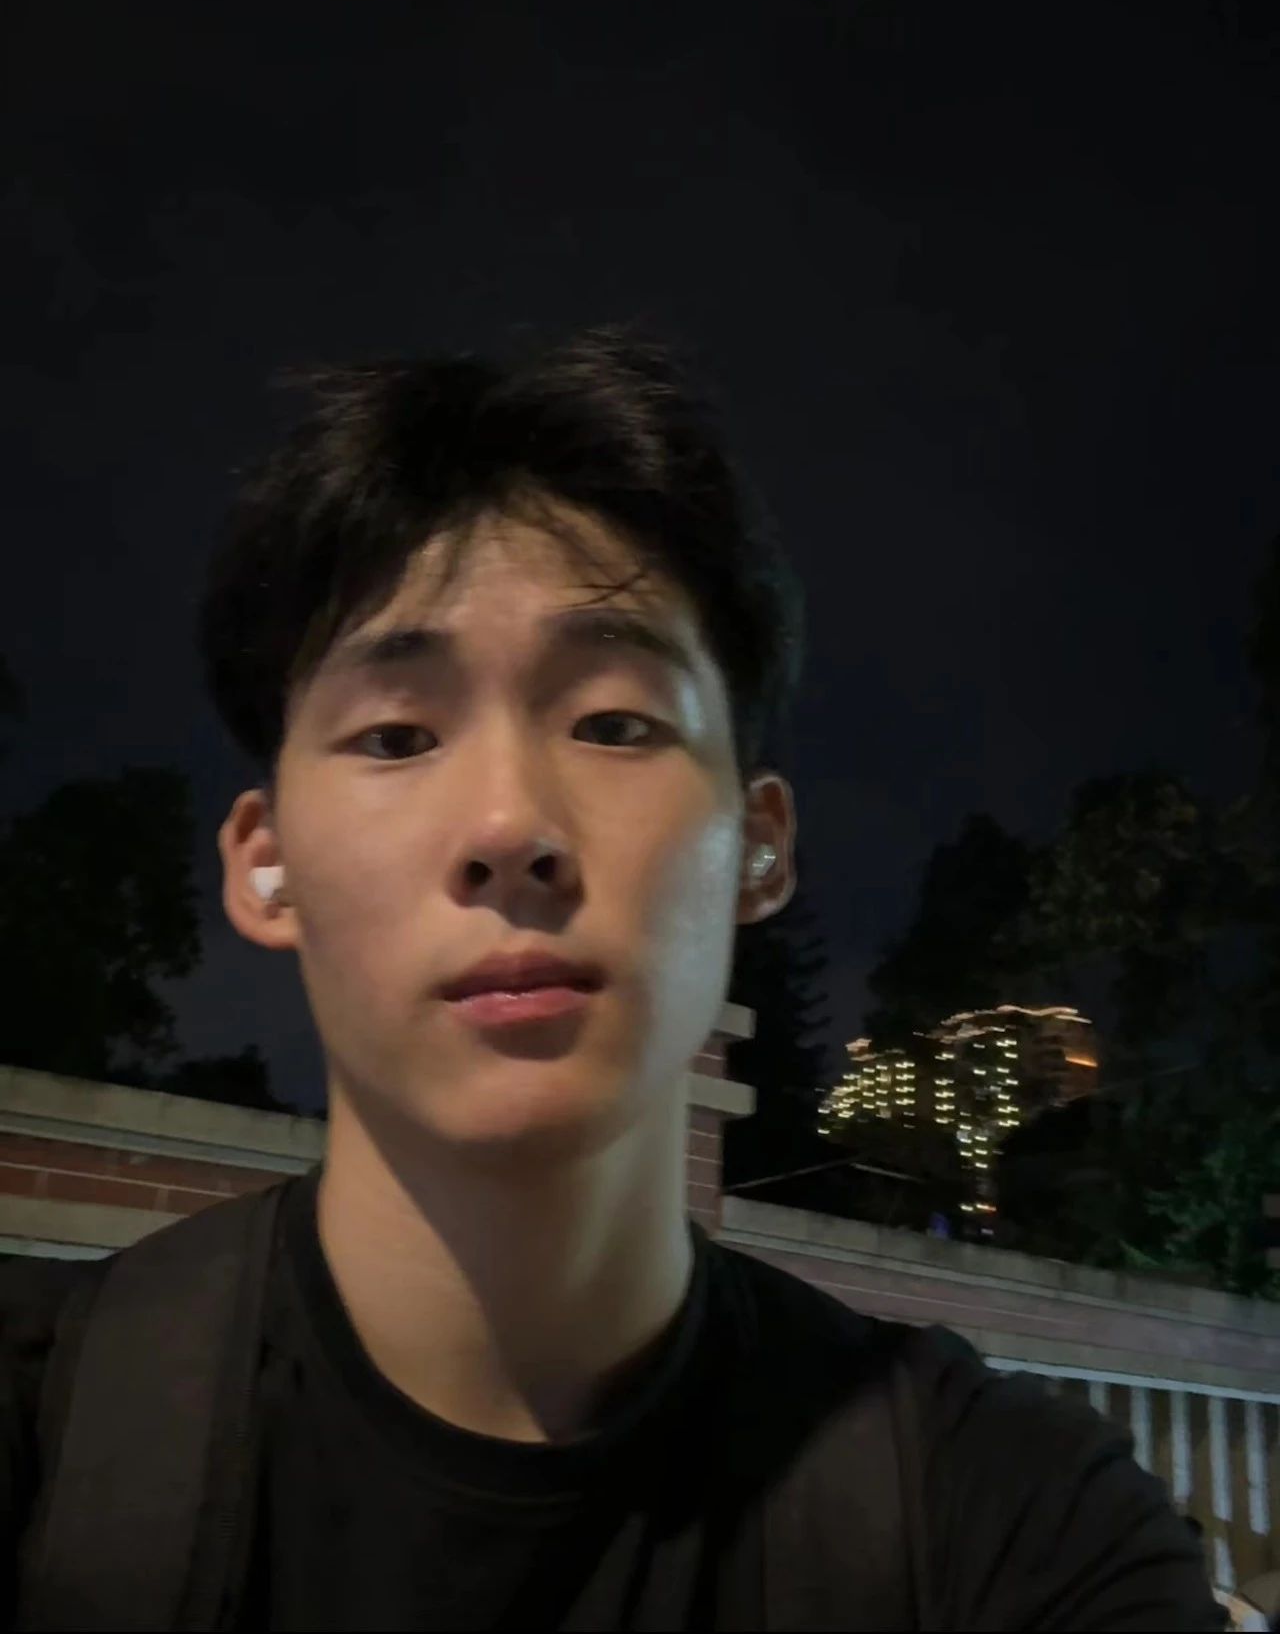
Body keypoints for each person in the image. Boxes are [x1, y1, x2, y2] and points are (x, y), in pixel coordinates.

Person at [0, 327, 1224, 1630]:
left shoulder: (1008, 1519)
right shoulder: (45, 1434)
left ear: (759, 846)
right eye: (397, 735)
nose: (509, 824)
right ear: (265, 864)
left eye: (615, 723)